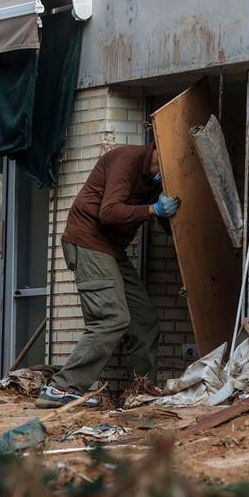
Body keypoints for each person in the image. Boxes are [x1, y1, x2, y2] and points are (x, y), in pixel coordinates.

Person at [37, 142, 180, 408]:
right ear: (158, 149)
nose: (169, 168)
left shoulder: (154, 181)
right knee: (111, 318)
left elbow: (166, 223)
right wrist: (152, 209)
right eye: (169, 159)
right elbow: (109, 212)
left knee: (145, 320)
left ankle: (140, 392)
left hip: (112, 251)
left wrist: (173, 208)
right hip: (88, 242)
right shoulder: (128, 159)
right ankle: (61, 388)